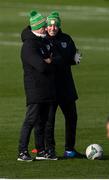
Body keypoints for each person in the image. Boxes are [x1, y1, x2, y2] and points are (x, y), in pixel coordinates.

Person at [35, 11, 83, 159]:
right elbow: (51, 60)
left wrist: (70, 59)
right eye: (50, 25)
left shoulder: (66, 39)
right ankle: (50, 150)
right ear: (46, 26)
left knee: (72, 118)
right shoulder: (42, 41)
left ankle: (69, 149)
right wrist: (64, 59)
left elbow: (74, 56)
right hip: (50, 88)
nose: (52, 28)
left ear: (59, 26)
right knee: (49, 121)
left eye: (55, 25)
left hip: (67, 86)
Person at [17, 10, 55, 161]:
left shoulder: (43, 41)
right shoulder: (29, 45)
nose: (46, 28)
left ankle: (40, 150)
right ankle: (22, 151)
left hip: (45, 88)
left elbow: (52, 61)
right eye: (44, 26)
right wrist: (48, 61)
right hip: (35, 88)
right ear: (37, 27)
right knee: (31, 120)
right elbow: (42, 66)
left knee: (43, 121)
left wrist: (49, 61)